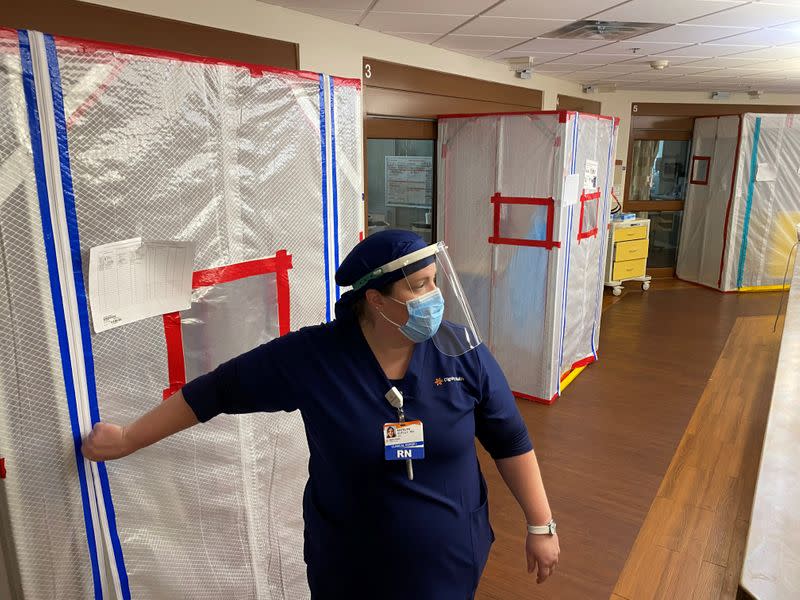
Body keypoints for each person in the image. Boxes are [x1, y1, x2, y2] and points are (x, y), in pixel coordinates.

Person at [82, 230, 560, 600]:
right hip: (351, 565)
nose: (435, 297)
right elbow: (215, 392)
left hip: (449, 559)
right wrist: (128, 438)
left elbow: (509, 438)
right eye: (419, 286)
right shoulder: (315, 357)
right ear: (376, 299)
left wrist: (540, 525)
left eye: (435, 281)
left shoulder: (460, 350)